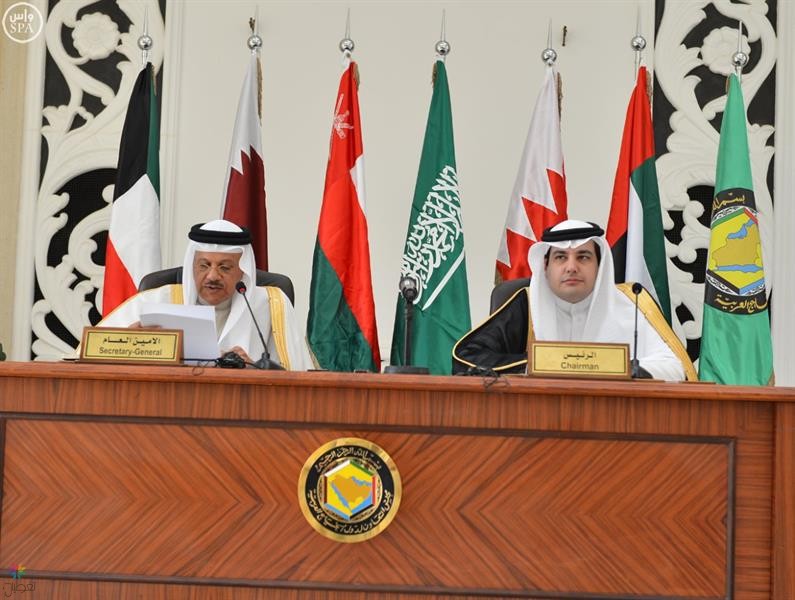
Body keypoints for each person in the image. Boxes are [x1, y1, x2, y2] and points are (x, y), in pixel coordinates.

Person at [453, 220, 696, 381]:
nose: (571, 267)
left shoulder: (631, 304)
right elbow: (466, 359)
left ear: (600, 266)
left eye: (583, 257)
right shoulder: (526, 305)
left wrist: (620, 369)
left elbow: (676, 367)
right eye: (561, 257)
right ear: (546, 266)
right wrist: (545, 364)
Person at [100, 220, 313, 370]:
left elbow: (297, 376)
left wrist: (254, 369)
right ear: (192, 266)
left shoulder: (272, 304)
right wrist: (128, 343)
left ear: (243, 271)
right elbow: (91, 351)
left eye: (225, 267)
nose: (212, 276)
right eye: (204, 265)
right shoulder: (154, 300)